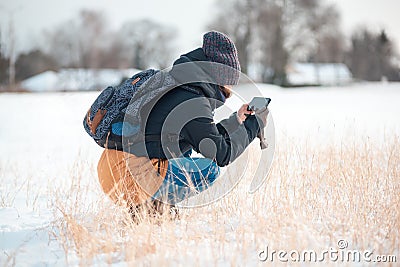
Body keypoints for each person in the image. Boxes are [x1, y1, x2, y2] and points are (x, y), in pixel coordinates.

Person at [97, 31, 268, 220]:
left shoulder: (179, 84)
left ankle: (151, 207)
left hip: (111, 170)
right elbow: (221, 154)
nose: (232, 89)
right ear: (220, 77)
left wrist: (237, 120)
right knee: (208, 170)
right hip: (127, 176)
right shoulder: (193, 100)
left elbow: (204, 137)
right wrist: (254, 125)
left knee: (181, 151)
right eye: (231, 81)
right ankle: (151, 208)